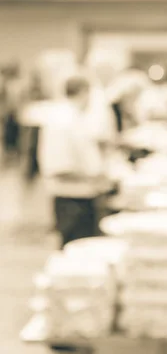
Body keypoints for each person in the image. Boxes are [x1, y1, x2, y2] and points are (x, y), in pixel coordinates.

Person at [39, 75, 110, 249]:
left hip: (85, 197)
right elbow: (58, 168)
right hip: (71, 201)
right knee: (75, 253)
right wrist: (93, 178)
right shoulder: (61, 120)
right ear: (84, 93)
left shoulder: (76, 117)